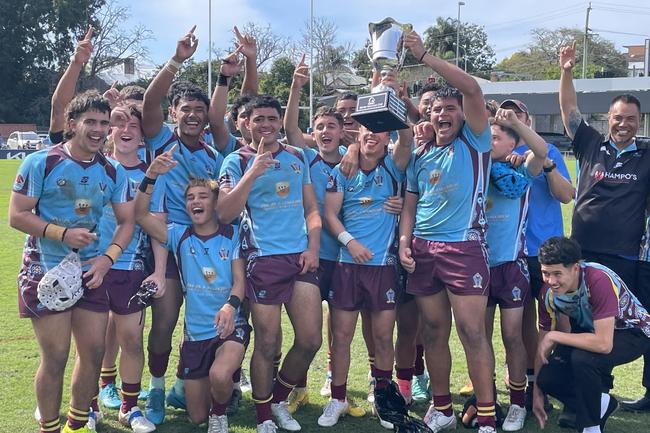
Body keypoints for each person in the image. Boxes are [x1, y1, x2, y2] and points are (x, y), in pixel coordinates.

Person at [9, 90, 134, 433]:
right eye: (90, 122)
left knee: (93, 353)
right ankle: (48, 426)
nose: (98, 130)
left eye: (104, 123)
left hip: (90, 270)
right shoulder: (41, 162)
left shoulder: (112, 171)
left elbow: (126, 222)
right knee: (57, 356)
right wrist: (61, 234)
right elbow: (17, 216)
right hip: (44, 269)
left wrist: (108, 259)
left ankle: (75, 426)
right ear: (72, 123)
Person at [399, 30, 496, 433]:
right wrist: (405, 242)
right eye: (437, 109)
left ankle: (488, 415)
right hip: (423, 249)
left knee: (473, 332)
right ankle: (442, 408)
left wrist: (423, 55)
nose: (443, 114)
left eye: (451, 108)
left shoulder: (476, 141)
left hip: (464, 248)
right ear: (429, 115)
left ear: (462, 114)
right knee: (434, 331)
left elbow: (471, 87)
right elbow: (409, 204)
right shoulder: (420, 153)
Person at [217, 94, 322, 433]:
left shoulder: (296, 157)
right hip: (262, 260)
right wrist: (253, 172)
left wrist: (313, 247)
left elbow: (311, 209)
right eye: (257, 119)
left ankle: (277, 398)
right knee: (268, 342)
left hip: (300, 257)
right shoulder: (235, 160)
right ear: (245, 123)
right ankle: (263, 415)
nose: (265, 125)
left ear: (280, 121)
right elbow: (225, 212)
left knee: (310, 339)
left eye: (271, 118)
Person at [559, 40, 650, 412]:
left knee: (619, 329)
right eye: (617, 117)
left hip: (624, 258)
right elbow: (569, 111)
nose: (623, 123)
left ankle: (623, 394)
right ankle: (592, 394)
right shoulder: (591, 144)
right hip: (583, 254)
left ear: (639, 121)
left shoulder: (647, 154)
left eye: (630, 118)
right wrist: (565, 70)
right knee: (583, 325)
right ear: (607, 119)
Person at [141, 26, 225, 424]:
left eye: (199, 110)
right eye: (185, 110)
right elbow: (150, 99)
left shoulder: (213, 153)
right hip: (167, 244)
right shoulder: (159, 140)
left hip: (208, 246)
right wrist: (176, 60)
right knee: (166, 320)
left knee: (207, 320)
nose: (192, 115)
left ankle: (185, 383)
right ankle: (156, 389)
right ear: (174, 113)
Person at [134, 151, 249, 433]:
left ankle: (220, 412)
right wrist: (151, 176)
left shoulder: (232, 234)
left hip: (229, 325)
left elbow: (239, 282)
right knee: (196, 416)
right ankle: (212, 391)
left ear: (215, 202)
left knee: (220, 375)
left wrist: (230, 306)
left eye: (202, 196)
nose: (195, 201)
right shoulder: (178, 235)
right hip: (196, 333)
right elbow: (139, 214)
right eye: (190, 197)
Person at [532, 236, 650, 433]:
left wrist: (554, 337)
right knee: (547, 376)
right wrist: (537, 391)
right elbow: (542, 344)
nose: (551, 281)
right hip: (592, 331)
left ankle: (591, 427)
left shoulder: (598, 280)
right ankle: (603, 402)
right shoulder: (548, 294)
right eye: (546, 273)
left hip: (633, 332)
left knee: (583, 357)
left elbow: (604, 344)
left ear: (576, 267)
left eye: (557, 274)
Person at [502, 98, 575, 411]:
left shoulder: (547, 150)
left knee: (558, 321)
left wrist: (545, 166)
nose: (511, 118)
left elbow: (566, 195)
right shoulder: (498, 150)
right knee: (521, 324)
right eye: (507, 114)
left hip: (545, 252)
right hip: (511, 250)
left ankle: (558, 380)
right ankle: (531, 380)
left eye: (517, 113)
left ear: (527, 119)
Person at [95, 104, 161, 433]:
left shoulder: (152, 174)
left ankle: (129, 408)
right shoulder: (96, 168)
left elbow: (158, 228)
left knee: (132, 341)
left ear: (141, 135)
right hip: (93, 267)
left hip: (132, 268)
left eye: (134, 124)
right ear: (108, 130)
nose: (126, 128)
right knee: (91, 344)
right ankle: (88, 405)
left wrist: (159, 271)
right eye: (118, 122)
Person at [485, 108, 548, 431]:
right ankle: (486, 397)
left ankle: (517, 403)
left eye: (496, 138)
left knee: (512, 336)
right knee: (479, 337)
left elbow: (542, 151)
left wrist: (516, 123)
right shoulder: (476, 167)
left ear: (512, 144)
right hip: (477, 266)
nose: (490, 142)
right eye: (488, 137)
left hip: (511, 266)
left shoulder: (523, 168)